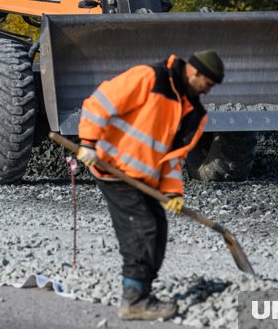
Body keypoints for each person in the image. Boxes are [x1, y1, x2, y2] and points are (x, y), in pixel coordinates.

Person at [76, 50, 224, 321]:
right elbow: (100, 103)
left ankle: (142, 288)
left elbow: (172, 159)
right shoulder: (150, 77)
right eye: (209, 84)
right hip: (114, 169)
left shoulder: (194, 113)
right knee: (140, 229)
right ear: (196, 73)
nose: (209, 91)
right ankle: (134, 300)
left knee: (157, 230)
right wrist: (87, 141)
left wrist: (173, 192)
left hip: (144, 180)